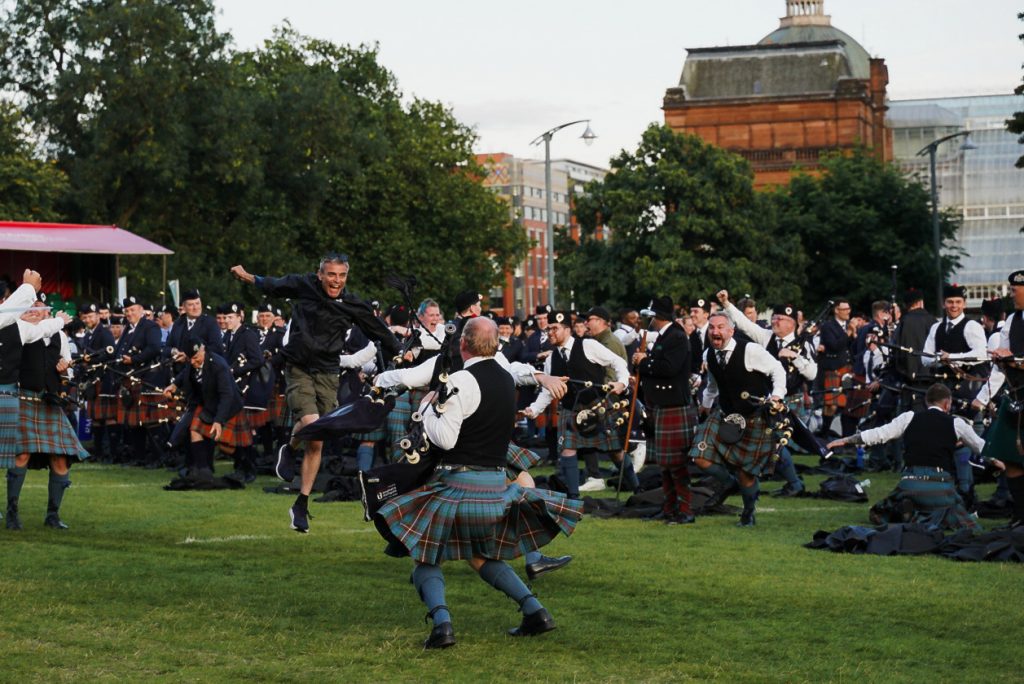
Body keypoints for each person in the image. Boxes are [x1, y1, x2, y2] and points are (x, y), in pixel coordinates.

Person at [375, 317, 583, 649]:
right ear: (496, 344)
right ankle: (535, 612)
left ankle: (442, 625)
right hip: (496, 489)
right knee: (480, 554)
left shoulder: (461, 379)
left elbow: (444, 438)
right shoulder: (505, 378)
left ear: (463, 345)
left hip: (458, 486)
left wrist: (428, 408)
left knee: (425, 556)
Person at [230, 253, 400, 533]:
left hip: (328, 372)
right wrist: (249, 276)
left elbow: (379, 331)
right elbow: (274, 284)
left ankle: (301, 502)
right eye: (331, 275)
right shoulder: (304, 285)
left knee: (318, 440)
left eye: (341, 275)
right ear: (320, 274)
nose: (336, 281)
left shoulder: (353, 303)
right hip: (297, 367)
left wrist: (403, 352)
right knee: (312, 424)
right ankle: (291, 449)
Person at [829, 383, 998, 531]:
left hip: (909, 483)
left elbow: (879, 434)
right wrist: (1003, 461)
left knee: (878, 512)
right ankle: (932, 516)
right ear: (947, 404)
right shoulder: (957, 423)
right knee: (958, 514)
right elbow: (982, 448)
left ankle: (911, 513)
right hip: (940, 486)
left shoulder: (908, 418)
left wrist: (846, 440)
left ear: (926, 402)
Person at [690, 312, 786, 527]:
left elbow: (777, 369)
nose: (715, 331)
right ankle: (729, 483)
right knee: (699, 456)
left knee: (747, 473)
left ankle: (748, 512)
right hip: (724, 413)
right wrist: (705, 404)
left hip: (754, 415)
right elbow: (713, 384)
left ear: (731, 331)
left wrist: (777, 395)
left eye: (721, 327)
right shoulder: (709, 354)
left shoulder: (750, 350)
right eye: (712, 327)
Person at [718, 291, 817, 497]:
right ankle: (791, 482)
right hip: (768, 400)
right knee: (771, 442)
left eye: (781, 319)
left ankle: (794, 482)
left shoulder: (803, 342)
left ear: (792, 323)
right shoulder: (766, 337)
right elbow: (744, 324)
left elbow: (812, 373)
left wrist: (795, 357)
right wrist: (727, 304)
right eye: (775, 318)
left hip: (791, 399)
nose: (776, 322)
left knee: (776, 442)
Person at [522, 311, 628, 498]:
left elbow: (617, 361)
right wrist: (534, 409)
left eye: (554, 329)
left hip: (597, 405)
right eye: (548, 329)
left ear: (567, 329)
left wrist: (622, 382)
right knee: (567, 449)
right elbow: (548, 391)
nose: (550, 333)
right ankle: (573, 497)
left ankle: (634, 485)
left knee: (615, 451)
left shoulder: (588, 345)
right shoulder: (551, 359)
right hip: (570, 408)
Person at [7, 298, 89, 530]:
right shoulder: (21, 332)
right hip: (23, 399)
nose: (38, 312)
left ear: (49, 312)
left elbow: (68, 374)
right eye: (33, 307)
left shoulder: (60, 336)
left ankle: (53, 515)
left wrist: (64, 371)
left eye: (41, 308)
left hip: (50, 403)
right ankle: (12, 513)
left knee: (61, 458)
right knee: (21, 454)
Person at [632, 296, 696, 523]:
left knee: (677, 464)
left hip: (674, 405)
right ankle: (669, 508)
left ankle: (686, 511)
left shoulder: (677, 336)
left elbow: (669, 368)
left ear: (658, 317)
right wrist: (642, 360)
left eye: (650, 317)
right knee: (665, 465)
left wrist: (644, 362)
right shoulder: (666, 335)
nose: (648, 321)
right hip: (661, 405)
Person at [973, 269, 1024, 527]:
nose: (1012, 293)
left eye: (1016, 289)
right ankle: (1019, 514)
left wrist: (1013, 360)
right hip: (1016, 394)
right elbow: (1002, 363)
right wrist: (1001, 361)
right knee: (1010, 458)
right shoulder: (1012, 321)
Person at [164, 338, 247, 477]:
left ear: (203, 350)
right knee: (195, 430)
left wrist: (219, 420)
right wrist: (174, 385)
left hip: (229, 406)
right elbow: (186, 372)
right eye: (190, 358)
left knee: (232, 445)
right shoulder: (193, 361)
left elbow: (226, 395)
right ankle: (202, 470)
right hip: (207, 403)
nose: (192, 362)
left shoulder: (218, 365)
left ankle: (246, 469)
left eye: (195, 358)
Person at [113, 296, 165, 467]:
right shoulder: (128, 329)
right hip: (130, 378)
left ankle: (158, 457)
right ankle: (140, 457)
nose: (129, 313)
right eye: (127, 311)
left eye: (133, 310)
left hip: (148, 378)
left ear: (141, 310)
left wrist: (134, 359)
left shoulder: (151, 327)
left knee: (151, 421)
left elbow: (154, 348)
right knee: (134, 423)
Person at [220, 302, 265, 481]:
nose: (227, 320)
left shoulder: (248, 335)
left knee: (243, 432)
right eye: (225, 318)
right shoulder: (227, 336)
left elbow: (258, 360)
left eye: (231, 317)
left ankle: (248, 469)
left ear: (240, 317)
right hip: (232, 388)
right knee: (239, 432)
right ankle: (241, 467)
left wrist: (235, 371)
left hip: (244, 387)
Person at [818, 299, 853, 436]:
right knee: (831, 405)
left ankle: (846, 436)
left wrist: (854, 335)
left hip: (848, 368)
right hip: (833, 367)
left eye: (849, 309)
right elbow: (834, 346)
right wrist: (848, 334)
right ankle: (824, 433)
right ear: (836, 311)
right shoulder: (828, 326)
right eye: (844, 309)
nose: (847, 312)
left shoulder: (849, 325)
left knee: (847, 404)